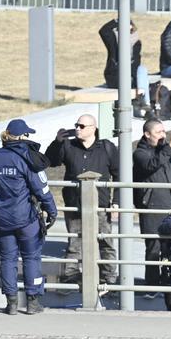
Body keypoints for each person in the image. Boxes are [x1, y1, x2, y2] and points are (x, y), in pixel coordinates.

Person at [0, 119, 57, 315]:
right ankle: (32, 302)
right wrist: (52, 211)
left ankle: (11, 302)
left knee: (7, 259)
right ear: (22, 136)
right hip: (26, 218)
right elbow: (42, 189)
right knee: (31, 258)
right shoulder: (27, 158)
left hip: (1, 219)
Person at [45, 114, 119, 289]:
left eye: (82, 126)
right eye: (76, 125)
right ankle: (72, 276)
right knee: (75, 242)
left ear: (93, 128)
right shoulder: (68, 145)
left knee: (105, 242)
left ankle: (109, 277)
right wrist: (57, 142)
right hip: (74, 204)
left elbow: (119, 174)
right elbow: (50, 161)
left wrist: (115, 202)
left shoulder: (106, 148)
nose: (77, 128)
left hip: (100, 205)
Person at [133, 119, 171, 298]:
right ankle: (151, 288)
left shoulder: (168, 150)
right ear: (147, 134)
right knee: (154, 248)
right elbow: (151, 165)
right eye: (159, 132)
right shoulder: (140, 153)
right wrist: (170, 148)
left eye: (164, 131)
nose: (163, 135)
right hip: (152, 207)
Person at [98, 18, 150, 106]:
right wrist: (116, 21)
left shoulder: (136, 43)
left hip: (130, 77)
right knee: (142, 80)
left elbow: (135, 64)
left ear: (132, 27)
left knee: (142, 69)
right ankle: (144, 101)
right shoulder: (114, 39)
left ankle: (145, 101)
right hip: (115, 76)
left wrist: (132, 77)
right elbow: (103, 31)